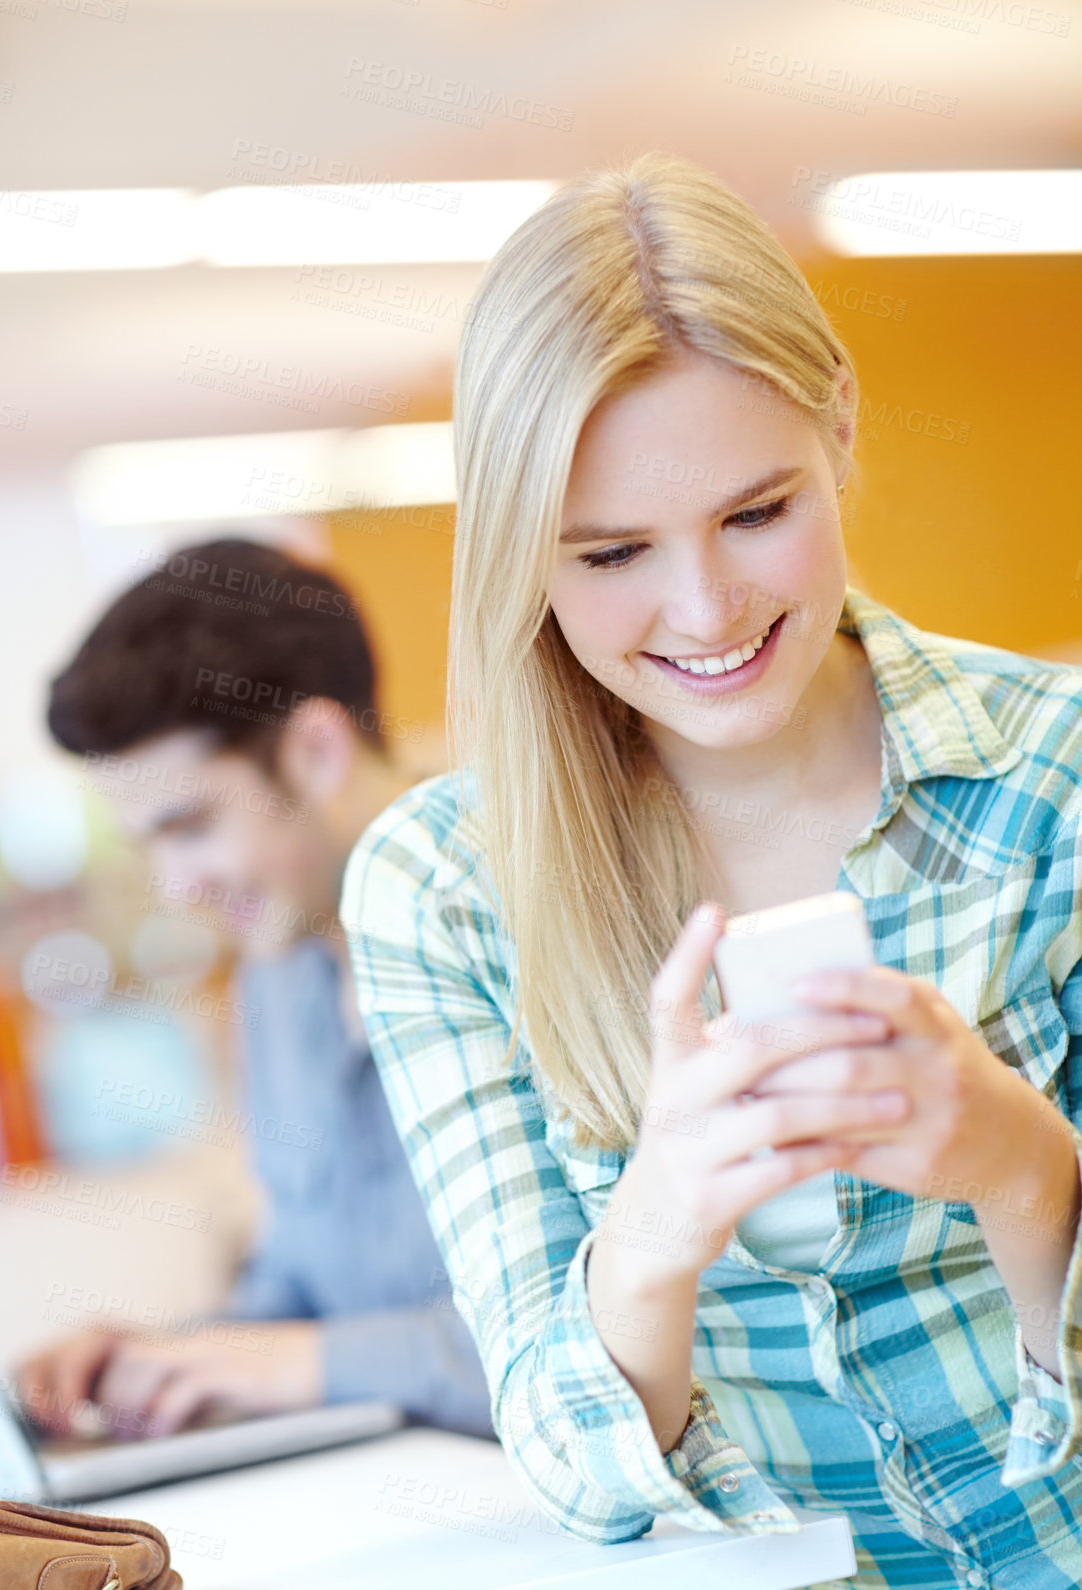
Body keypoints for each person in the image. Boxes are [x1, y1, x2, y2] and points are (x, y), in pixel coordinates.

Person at [337, 154, 1082, 1587]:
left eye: (755, 514)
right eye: (609, 552)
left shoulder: (1052, 779)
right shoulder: (439, 888)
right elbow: (570, 1457)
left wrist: (1014, 1161)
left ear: (840, 428)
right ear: (518, 559)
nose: (702, 610)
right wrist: (656, 1222)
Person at [15, 538, 495, 1442]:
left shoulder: (531, 933)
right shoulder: (275, 982)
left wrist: (294, 1363)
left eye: (190, 825)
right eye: (148, 844)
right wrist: (158, 1364)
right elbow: (304, 1290)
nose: (175, 886)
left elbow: (615, 1334)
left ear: (315, 750)